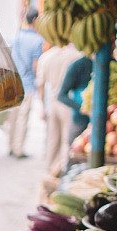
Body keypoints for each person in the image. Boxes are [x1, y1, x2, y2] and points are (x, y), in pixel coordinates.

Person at [36, 43, 82, 177]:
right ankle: (62, 170)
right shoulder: (75, 55)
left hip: (52, 101)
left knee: (52, 139)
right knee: (66, 140)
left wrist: (43, 107)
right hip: (68, 101)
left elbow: (40, 84)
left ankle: (50, 170)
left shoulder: (46, 56)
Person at [6, 8, 44, 159]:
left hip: (11, 83)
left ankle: (10, 145)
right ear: (35, 20)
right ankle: (18, 149)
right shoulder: (37, 40)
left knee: (12, 117)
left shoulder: (14, 37)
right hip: (26, 84)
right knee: (22, 118)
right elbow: (35, 66)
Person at [57, 55, 93, 146]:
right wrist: (82, 109)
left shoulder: (110, 62)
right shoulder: (78, 65)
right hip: (80, 122)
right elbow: (61, 95)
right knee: (74, 150)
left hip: (108, 123)